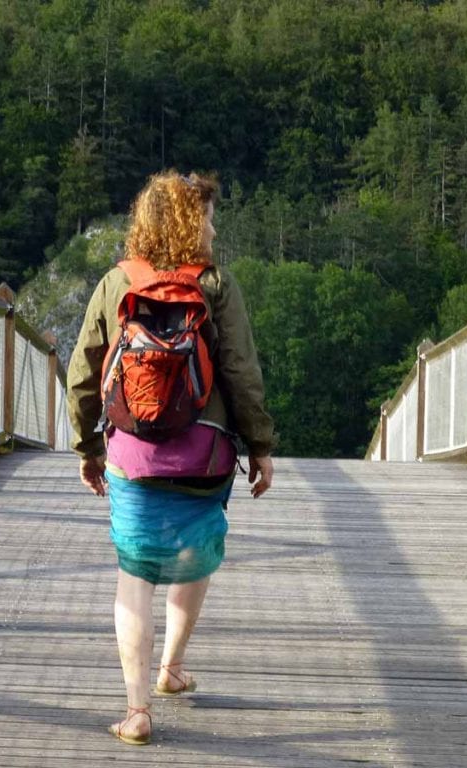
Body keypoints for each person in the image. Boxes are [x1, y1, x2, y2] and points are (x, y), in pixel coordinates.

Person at [65, 170, 276, 746]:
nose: (212, 227)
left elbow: (83, 375)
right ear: (188, 222)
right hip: (205, 455)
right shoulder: (215, 285)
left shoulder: (117, 282)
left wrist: (88, 449)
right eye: (207, 218)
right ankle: (173, 668)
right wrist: (259, 446)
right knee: (195, 548)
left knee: (135, 574)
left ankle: (136, 710)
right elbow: (240, 372)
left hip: (131, 455)